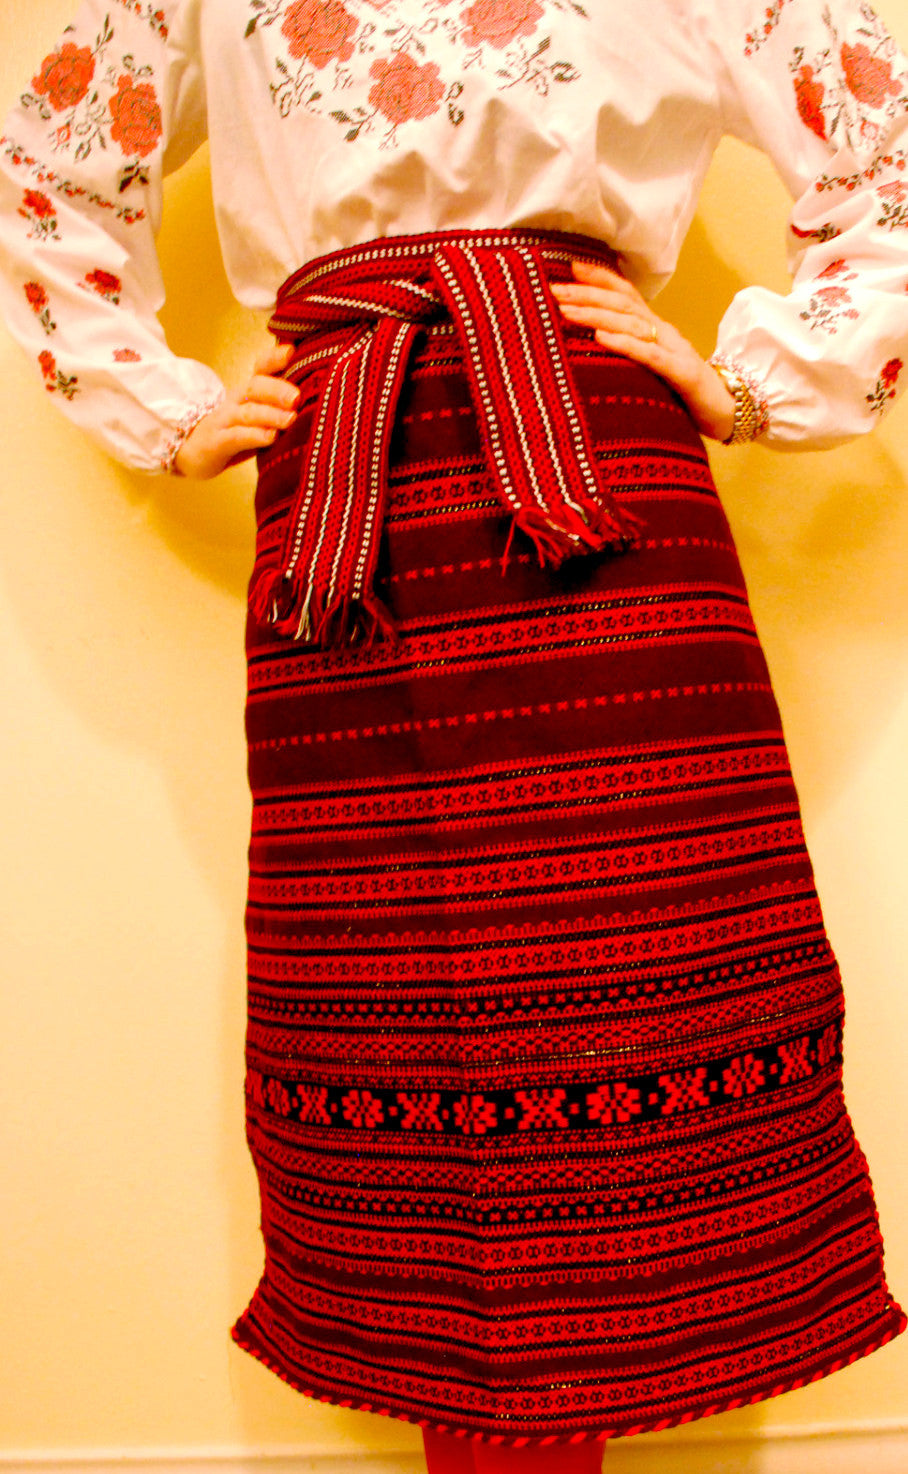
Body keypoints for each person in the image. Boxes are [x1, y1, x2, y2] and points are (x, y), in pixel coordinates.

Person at [1, 2, 906, 1469]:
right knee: (390, 988)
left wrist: (768, 373)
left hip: (592, 459)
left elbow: (887, 144)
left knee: (641, 968)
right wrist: (154, 401)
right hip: (346, 477)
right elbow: (47, 156)